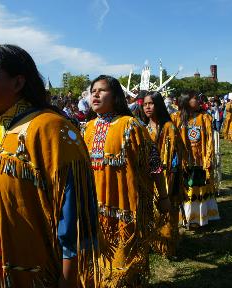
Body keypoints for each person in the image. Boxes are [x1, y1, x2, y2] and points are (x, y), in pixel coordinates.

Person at [0, 44, 98, 287]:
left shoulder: (50, 128)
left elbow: (75, 212)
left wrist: (69, 278)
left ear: (18, 83)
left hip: (36, 273)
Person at [83, 75, 171, 287]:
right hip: (94, 210)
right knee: (97, 262)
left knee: (124, 265)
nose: (95, 94)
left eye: (101, 90)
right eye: (92, 90)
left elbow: (154, 163)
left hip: (126, 211)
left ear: (115, 97)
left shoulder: (130, 125)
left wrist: (164, 196)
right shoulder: (87, 128)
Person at [143, 91, 183, 257]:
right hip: (148, 177)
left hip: (167, 176)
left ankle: (167, 245)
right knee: (151, 211)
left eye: (151, 103)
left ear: (158, 105)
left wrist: (172, 178)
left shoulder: (169, 127)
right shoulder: (143, 128)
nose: (147, 107)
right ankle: (153, 241)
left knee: (166, 211)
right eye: (145, 104)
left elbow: (176, 155)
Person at [171, 92, 219, 228]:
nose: (199, 101)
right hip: (183, 161)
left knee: (199, 187)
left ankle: (199, 217)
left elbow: (209, 139)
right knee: (186, 187)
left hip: (200, 161)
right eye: (195, 99)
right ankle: (185, 217)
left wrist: (208, 158)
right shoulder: (175, 118)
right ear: (186, 101)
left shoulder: (204, 118)